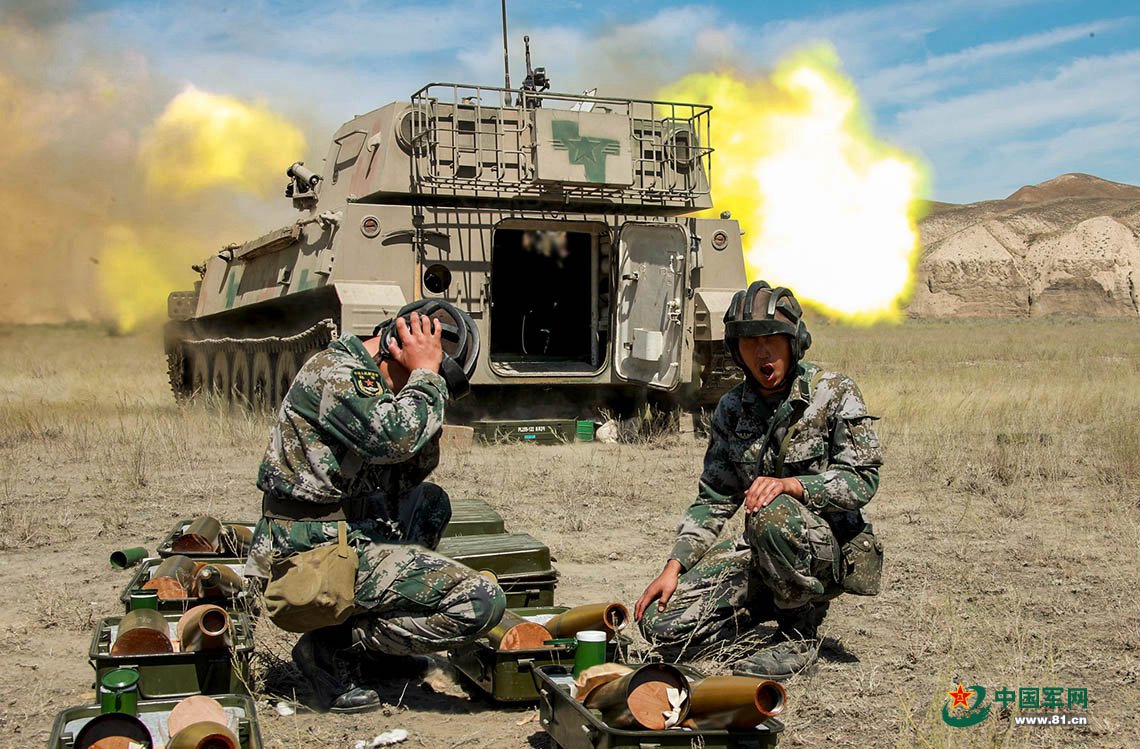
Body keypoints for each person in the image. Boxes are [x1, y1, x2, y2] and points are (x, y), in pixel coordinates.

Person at [245, 304, 506, 712]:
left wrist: (422, 395)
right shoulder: (338, 373)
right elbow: (396, 439)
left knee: (430, 503)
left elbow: (405, 475)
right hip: (312, 548)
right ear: (393, 349)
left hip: (346, 529)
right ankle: (331, 649)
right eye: (413, 374)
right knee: (480, 601)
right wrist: (426, 378)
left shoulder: (369, 380)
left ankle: (372, 652)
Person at [635, 281, 883, 680]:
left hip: (825, 549)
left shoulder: (834, 393)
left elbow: (862, 480)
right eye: (750, 343)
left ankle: (798, 634)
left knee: (772, 512)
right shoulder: (732, 408)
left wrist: (794, 486)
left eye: (771, 340)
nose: (762, 352)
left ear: (794, 343)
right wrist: (673, 567)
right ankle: (764, 602)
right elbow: (715, 498)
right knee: (660, 624)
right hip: (761, 548)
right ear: (737, 351)